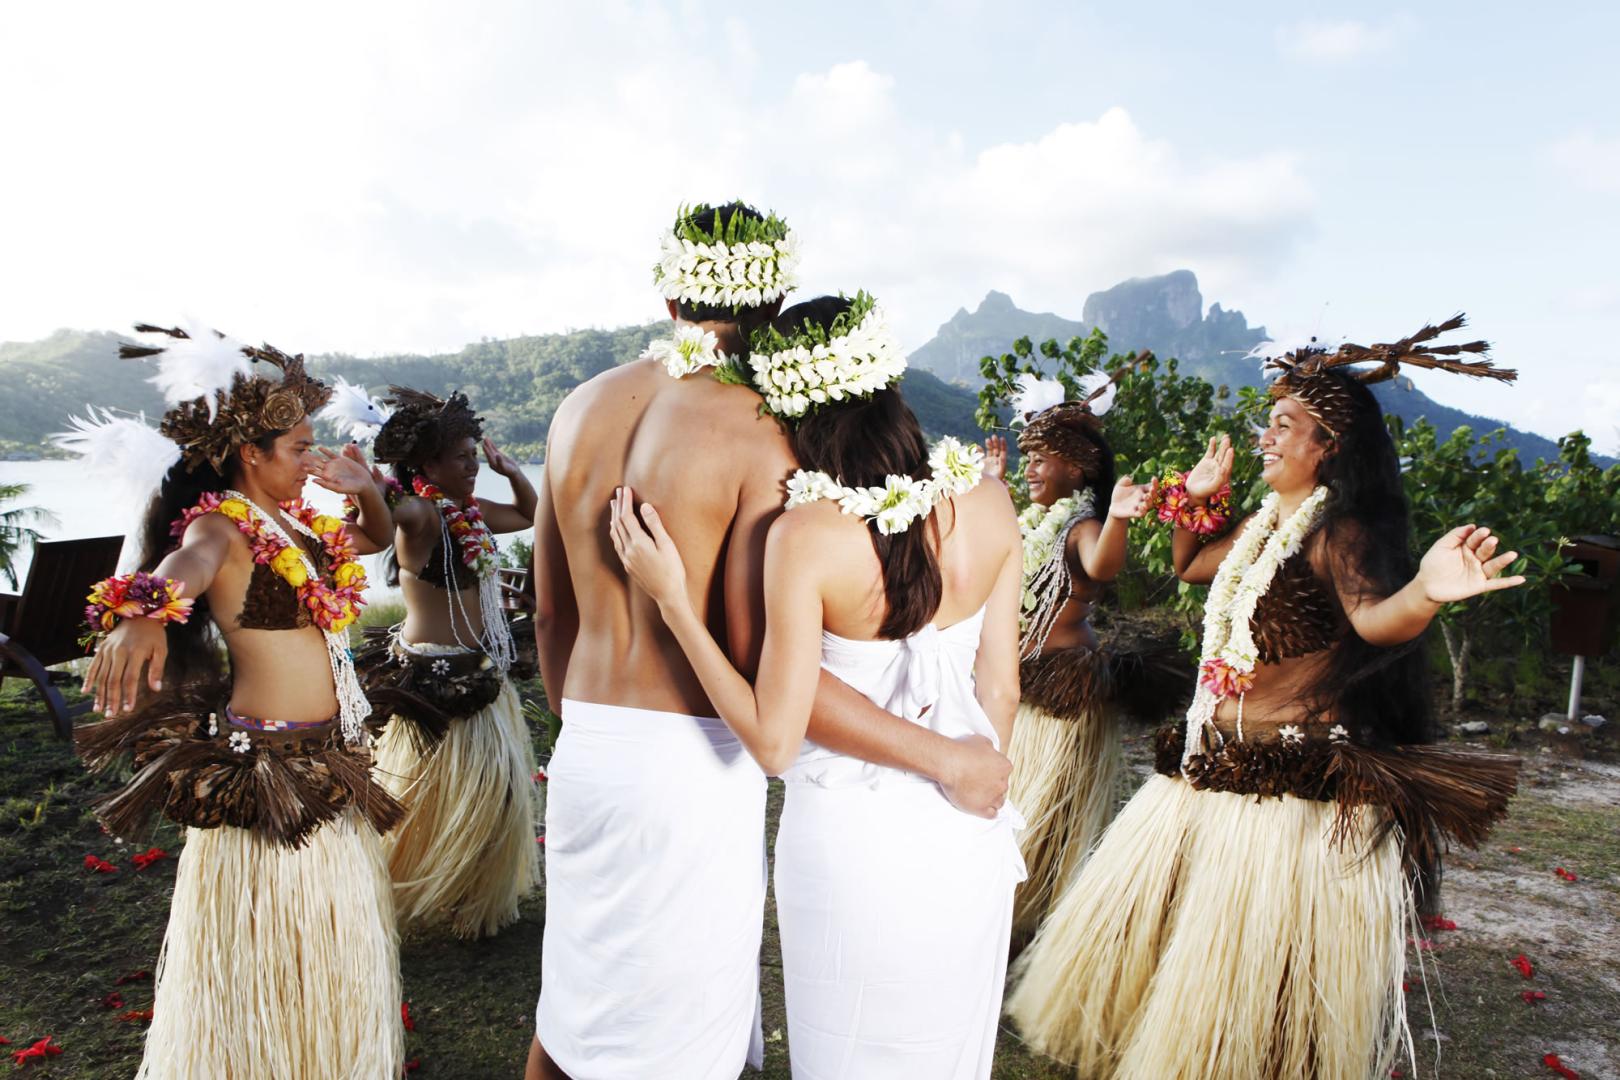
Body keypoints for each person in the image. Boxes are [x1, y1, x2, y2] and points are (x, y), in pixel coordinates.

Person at [528, 202, 1011, 1080]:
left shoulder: (576, 410)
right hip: (698, 757)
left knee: (575, 1005)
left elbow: (549, 616)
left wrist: (588, 730)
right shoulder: (766, 431)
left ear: (672, 297)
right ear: (774, 304)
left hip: (589, 743)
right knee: (678, 1037)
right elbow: (764, 661)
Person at [1006, 316, 1523, 1079]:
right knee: (1161, 927)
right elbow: (1191, 568)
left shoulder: (1335, 532)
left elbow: (1376, 622)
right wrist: (1197, 499)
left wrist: (1424, 592)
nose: (1266, 435)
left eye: (1286, 425)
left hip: (1287, 780)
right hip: (1209, 759)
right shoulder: (1263, 524)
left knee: (1254, 961)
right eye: (1268, 422)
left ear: (1329, 447)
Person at [67, 324, 405, 1079]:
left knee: (330, 944)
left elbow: (377, 541)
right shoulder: (223, 527)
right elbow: (183, 566)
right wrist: (143, 613)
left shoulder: (305, 529)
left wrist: (365, 491)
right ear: (252, 454)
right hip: (268, 776)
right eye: (298, 446)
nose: (311, 458)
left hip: (329, 761)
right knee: (269, 949)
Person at [327, 384, 542, 939]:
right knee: (424, 796)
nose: (472, 466)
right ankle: (418, 884)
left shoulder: (471, 512)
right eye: (462, 457)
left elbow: (528, 514)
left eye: (475, 455)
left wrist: (511, 470)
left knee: (492, 795)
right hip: (431, 676)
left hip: (478, 667)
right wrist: (368, 490)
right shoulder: (419, 513)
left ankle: (470, 889)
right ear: (427, 465)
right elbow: (391, 515)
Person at [985, 372, 1157, 938]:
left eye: (1042, 459)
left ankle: (1025, 920)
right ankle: (1009, 916)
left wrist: (1120, 520)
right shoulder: (1036, 521)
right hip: (1023, 685)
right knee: (1015, 808)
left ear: (1077, 470)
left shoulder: (1084, 526)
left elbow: (1103, 564)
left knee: (1042, 819)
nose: (1030, 468)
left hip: (1061, 697)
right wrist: (995, 487)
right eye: (1028, 457)